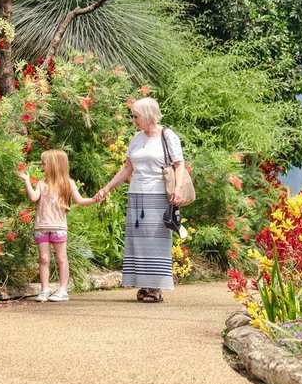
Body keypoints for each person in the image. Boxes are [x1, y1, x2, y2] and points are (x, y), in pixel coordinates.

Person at [90, 97, 183, 303]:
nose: (133, 120)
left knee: (155, 240)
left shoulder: (167, 136)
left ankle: (155, 288)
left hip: (158, 195)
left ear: (148, 115)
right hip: (137, 195)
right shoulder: (137, 138)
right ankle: (144, 284)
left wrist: (178, 188)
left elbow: (179, 165)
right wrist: (107, 188)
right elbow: (127, 168)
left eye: (136, 116)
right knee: (139, 241)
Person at [17, 149, 93, 303]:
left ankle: (63, 290)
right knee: (43, 258)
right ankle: (44, 289)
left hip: (58, 227)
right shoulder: (41, 183)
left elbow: (80, 200)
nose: (42, 166)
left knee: (61, 258)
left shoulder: (68, 183)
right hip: (41, 227)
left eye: (44, 164)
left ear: (54, 165)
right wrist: (26, 180)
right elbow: (33, 197)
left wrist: (95, 199)